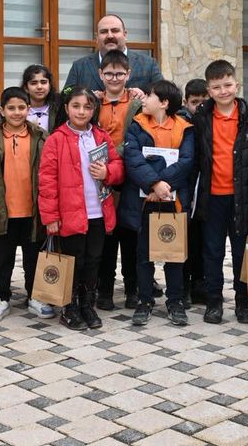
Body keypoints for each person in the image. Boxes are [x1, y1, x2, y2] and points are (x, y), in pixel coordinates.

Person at [39, 87, 125, 331]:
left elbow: (118, 165)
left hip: (97, 211)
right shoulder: (56, 139)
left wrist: (108, 172)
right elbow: (46, 180)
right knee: (73, 260)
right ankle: (70, 307)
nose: (81, 111)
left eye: (87, 107)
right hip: (70, 213)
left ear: (94, 110)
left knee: (93, 260)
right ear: (66, 108)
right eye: (76, 106)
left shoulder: (100, 136)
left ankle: (87, 304)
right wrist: (50, 216)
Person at [191, 60, 248, 325]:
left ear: (237, 84)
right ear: (209, 90)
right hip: (211, 197)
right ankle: (214, 301)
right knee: (212, 251)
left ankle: (244, 301)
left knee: (242, 251)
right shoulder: (200, 118)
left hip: (241, 197)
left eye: (228, 85)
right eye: (216, 87)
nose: (223, 91)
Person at [122, 79, 195, 327]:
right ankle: (144, 300)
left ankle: (175, 300)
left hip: (172, 201)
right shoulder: (137, 125)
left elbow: (186, 162)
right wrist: (154, 184)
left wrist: (162, 186)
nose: (144, 99)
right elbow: (133, 159)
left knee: (174, 254)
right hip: (145, 202)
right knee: (143, 255)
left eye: (150, 96)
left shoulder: (185, 128)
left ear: (164, 103)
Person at [0, 88, 50, 322]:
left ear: (29, 109)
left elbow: (49, 174)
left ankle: (35, 296)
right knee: (1, 259)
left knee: (34, 257)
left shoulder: (41, 137)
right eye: (11, 108)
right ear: (2, 110)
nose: (17, 112)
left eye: (21, 107)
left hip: (33, 211)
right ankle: (1, 297)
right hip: (1, 211)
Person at [95, 50, 143, 311]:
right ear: (100, 74)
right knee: (106, 235)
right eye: (109, 73)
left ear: (128, 74)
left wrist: (116, 156)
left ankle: (133, 289)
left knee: (130, 233)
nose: (114, 78)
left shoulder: (137, 104)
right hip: (100, 177)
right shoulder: (93, 103)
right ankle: (104, 289)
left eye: (119, 74)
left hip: (130, 176)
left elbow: (138, 137)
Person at [64, 14, 163, 99]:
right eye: (104, 32)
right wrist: (86, 95)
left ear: (125, 34)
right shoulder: (79, 66)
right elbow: (65, 94)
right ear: (97, 37)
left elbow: (165, 95)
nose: (110, 36)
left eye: (115, 31)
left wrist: (144, 95)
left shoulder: (148, 64)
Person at [179, 77, 209, 306]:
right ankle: (183, 286)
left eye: (203, 102)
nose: (199, 106)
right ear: (185, 102)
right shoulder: (181, 123)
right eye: (194, 102)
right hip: (184, 189)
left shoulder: (211, 121)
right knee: (184, 240)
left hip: (205, 189)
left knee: (202, 240)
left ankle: (200, 284)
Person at [22, 64, 61, 132]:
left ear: (50, 86)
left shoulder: (59, 109)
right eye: (34, 83)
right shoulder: (20, 110)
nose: (39, 87)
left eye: (43, 82)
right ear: (26, 88)